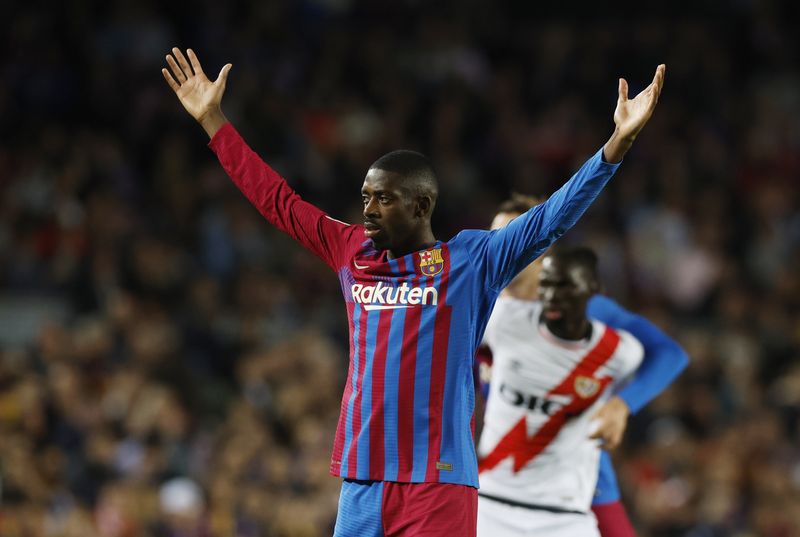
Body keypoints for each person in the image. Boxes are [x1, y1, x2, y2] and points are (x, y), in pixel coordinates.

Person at [162, 47, 665, 536]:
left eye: (383, 199)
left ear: (422, 206)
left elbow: (550, 220)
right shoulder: (350, 250)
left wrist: (615, 146)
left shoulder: (471, 260)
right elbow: (278, 201)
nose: (369, 210)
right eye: (365, 198)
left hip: (438, 482)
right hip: (364, 478)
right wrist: (214, 122)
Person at [475, 195, 689, 537]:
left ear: (541, 247)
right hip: (503, 473)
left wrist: (623, 404)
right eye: (495, 236)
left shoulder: (583, 308)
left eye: (513, 236)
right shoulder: (483, 309)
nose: (502, 247)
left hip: (575, 477)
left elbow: (670, 354)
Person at [476, 246, 646, 536]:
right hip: (490, 504)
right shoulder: (504, 319)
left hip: (565, 516)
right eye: (547, 284)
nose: (552, 295)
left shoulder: (621, 353)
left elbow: (667, 360)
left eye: (566, 286)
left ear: (594, 290)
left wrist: (622, 406)